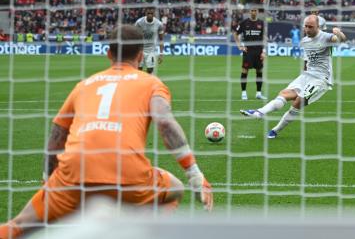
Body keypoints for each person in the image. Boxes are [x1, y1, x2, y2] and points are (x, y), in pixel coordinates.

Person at [0, 25, 212, 239]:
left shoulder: (83, 85)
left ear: (108, 53)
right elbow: (165, 123)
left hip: (73, 173)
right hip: (127, 173)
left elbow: (56, 138)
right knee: (174, 189)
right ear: (140, 55)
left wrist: (49, 183)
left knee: (18, 225)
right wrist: (194, 174)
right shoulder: (152, 83)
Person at [240, 15, 346, 139]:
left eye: (310, 27)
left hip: (321, 79)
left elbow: (341, 40)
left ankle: (275, 130)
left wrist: (339, 33)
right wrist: (302, 77)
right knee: (284, 93)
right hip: (306, 76)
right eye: (305, 26)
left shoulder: (325, 37)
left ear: (317, 27)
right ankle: (260, 112)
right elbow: (307, 62)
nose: (307, 29)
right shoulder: (305, 41)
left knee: (298, 101)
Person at [233, 7, 267, 101]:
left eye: (255, 10)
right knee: (245, 71)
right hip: (248, 51)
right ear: (249, 12)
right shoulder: (244, 23)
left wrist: (264, 51)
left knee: (259, 71)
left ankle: (258, 93)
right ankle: (244, 93)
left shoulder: (261, 23)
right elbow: (235, 34)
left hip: (259, 51)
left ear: (258, 12)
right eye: (252, 10)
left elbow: (264, 38)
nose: (253, 12)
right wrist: (239, 46)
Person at [134, 7, 165, 74]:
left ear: (154, 14)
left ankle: (148, 82)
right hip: (140, 49)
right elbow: (134, 36)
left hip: (151, 50)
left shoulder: (159, 24)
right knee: (139, 69)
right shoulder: (139, 22)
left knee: (150, 69)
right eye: (148, 13)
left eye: (151, 13)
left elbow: (161, 39)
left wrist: (161, 54)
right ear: (146, 13)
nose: (150, 15)